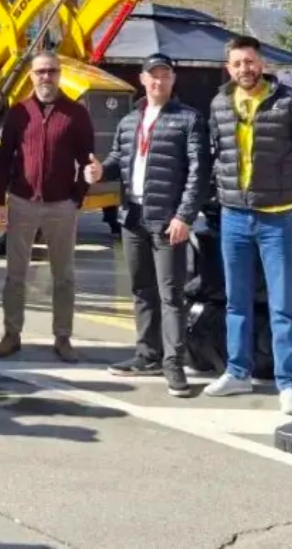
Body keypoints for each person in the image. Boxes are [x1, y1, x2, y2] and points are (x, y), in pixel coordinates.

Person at [203, 35, 292, 415]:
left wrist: (283, 183)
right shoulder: (220, 102)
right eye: (237, 63)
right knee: (236, 302)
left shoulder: (291, 102)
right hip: (234, 217)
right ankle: (238, 371)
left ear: (262, 63)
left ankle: (289, 385)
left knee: (283, 305)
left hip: (277, 219)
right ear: (229, 68)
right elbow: (218, 151)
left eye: (250, 62)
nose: (244, 69)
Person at [85, 53, 209, 397]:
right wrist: (99, 172)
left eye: (164, 75)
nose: (158, 81)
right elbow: (116, 161)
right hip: (132, 217)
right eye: (152, 75)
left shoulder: (189, 119)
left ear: (173, 80)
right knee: (141, 290)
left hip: (168, 220)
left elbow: (199, 173)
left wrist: (184, 216)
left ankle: (174, 364)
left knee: (171, 296)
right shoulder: (129, 121)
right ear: (142, 79)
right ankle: (147, 354)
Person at [0, 51, 94, 363]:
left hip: (61, 206)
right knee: (15, 275)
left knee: (64, 276)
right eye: (40, 72)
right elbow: (4, 159)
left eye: (51, 71)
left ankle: (62, 337)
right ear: (31, 76)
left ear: (59, 74)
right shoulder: (18, 112)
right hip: (21, 203)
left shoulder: (76, 114)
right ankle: (11, 334)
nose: (45, 77)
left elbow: (88, 160)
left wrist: (77, 197)